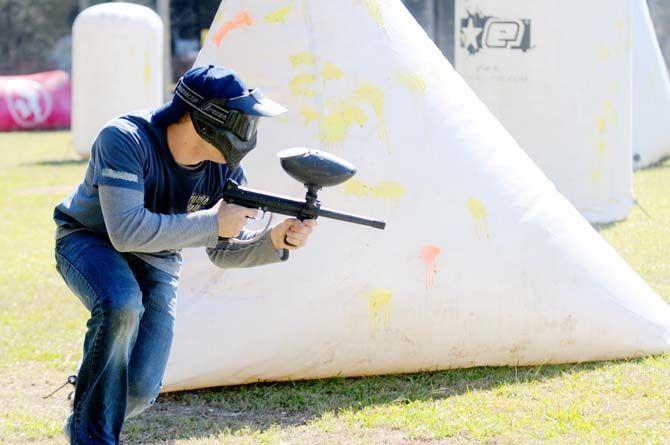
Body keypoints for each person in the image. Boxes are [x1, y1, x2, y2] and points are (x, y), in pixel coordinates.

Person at [53, 65, 317, 444]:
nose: (249, 133)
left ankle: (88, 411)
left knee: (142, 387)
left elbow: (222, 251)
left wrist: (274, 240)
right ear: (208, 118)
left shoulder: (225, 171)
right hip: (89, 240)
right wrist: (213, 222)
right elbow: (125, 231)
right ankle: (92, 436)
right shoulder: (125, 139)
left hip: (158, 259)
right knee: (122, 302)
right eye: (242, 120)